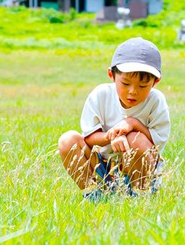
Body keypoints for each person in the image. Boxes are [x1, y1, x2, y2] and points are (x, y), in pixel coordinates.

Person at [57, 37, 170, 200]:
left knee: (135, 138)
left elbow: (157, 143)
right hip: (102, 166)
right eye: (125, 83)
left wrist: (133, 124)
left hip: (141, 169)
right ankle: (95, 196)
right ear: (111, 74)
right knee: (67, 140)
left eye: (142, 86)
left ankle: (139, 196)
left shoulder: (156, 101)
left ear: (155, 82)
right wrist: (112, 136)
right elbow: (88, 138)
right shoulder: (101, 95)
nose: (133, 91)